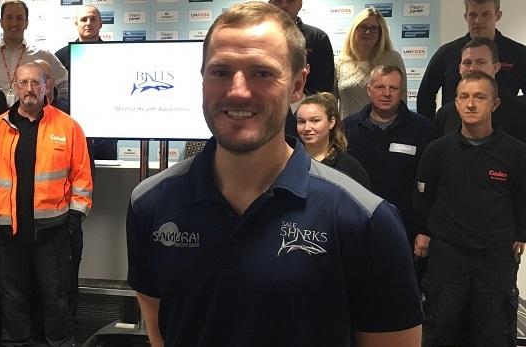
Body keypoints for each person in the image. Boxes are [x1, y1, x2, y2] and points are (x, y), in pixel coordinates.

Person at [126, 3, 423, 346]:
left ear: (298, 85)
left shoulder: (365, 220)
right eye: (220, 71)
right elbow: (161, 332)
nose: (238, 90)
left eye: (262, 73)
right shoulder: (150, 205)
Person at [0, 62, 92, 347]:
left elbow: (82, 175)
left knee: (56, 297)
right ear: (14, 87)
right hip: (7, 233)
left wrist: (74, 217)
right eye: (23, 83)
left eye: (35, 83)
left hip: (53, 231)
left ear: (46, 86)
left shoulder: (68, 126)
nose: (29, 89)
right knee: (12, 297)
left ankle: (59, 343)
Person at [413, 70, 526, 347]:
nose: (471, 104)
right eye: (464, 97)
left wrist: (521, 234)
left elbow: (522, 198)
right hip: (447, 256)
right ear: (455, 102)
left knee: (494, 335)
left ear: (495, 104)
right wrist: (425, 231)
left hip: (496, 258)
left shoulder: (516, 152)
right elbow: (423, 197)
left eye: (479, 97)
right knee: (438, 331)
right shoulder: (437, 150)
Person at [343, 65, 436, 249]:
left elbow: (431, 183)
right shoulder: (348, 127)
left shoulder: (423, 129)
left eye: (393, 88)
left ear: (402, 92)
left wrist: (424, 229)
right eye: (380, 87)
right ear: (369, 90)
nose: (386, 93)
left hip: (405, 229)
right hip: (355, 225)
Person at [416, 0, 526, 121]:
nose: (478, 21)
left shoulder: (519, 53)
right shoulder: (446, 53)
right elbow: (425, 95)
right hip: (453, 129)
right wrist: (433, 127)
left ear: (497, 16)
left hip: (505, 128)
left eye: (486, 14)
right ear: (465, 16)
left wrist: (511, 110)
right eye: (473, 15)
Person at [433, 37, 526, 142]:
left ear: (495, 67)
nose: (472, 68)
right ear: (460, 68)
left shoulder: (519, 112)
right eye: (467, 62)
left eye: (480, 62)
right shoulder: (444, 115)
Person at [0, 0, 69, 104]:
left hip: (33, 113)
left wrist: (58, 106)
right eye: (9, 17)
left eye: (19, 18)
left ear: (26, 23)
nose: (14, 23)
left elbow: (66, 82)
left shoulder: (43, 55)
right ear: (1, 22)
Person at [334, 7, 406, 117]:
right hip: (348, 127)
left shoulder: (393, 59)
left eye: (374, 28)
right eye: (363, 27)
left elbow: (402, 100)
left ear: (381, 32)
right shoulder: (339, 63)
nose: (368, 32)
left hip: (387, 126)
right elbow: (331, 105)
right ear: (354, 30)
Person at [296, 92, 371, 188]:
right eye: (301, 121)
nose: (307, 128)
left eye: (315, 121)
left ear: (331, 122)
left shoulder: (349, 168)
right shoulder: (288, 162)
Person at [269, 0, 334, 94]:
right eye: (278, 1)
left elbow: (324, 88)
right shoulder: (256, 36)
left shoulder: (318, 37)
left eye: (290, 1)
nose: (284, 5)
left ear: (300, 4)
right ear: (270, 4)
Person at [54, 5, 103, 71]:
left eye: (93, 19)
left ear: (100, 24)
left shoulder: (114, 53)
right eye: (84, 20)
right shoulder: (60, 57)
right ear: (76, 24)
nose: (88, 23)